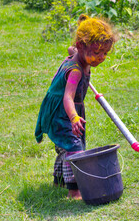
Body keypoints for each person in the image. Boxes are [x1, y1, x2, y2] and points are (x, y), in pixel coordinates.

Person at [35, 14, 117, 199]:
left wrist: (73, 50)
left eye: (105, 53)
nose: (101, 57)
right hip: (63, 112)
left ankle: (59, 181)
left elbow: (71, 48)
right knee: (74, 148)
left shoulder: (78, 54)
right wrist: (74, 117)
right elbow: (67, 97)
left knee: (66, 146)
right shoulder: (75, 71)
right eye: (97, 53)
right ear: (82, 46)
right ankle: (74, 191)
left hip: (68, 111)